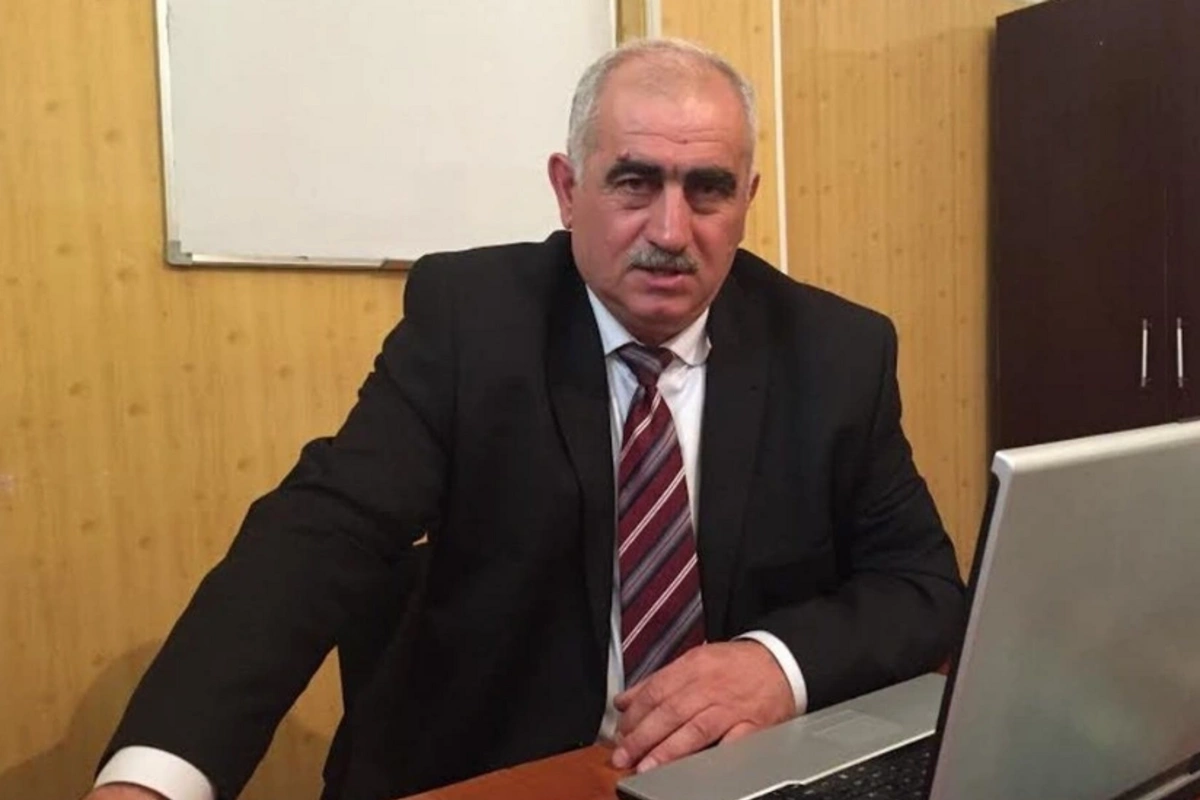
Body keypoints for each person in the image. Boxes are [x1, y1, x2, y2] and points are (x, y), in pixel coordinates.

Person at [88, 38, 964, 800]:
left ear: (747, 199)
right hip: (510, 773)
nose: (670, 230)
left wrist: (776, 664)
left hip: (734, 776)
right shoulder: (473, 322)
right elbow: (317, 536)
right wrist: (156, 777)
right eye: (634, 182)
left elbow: (922, 586)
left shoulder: (835, 351)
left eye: (708, 190)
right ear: (567, 189)